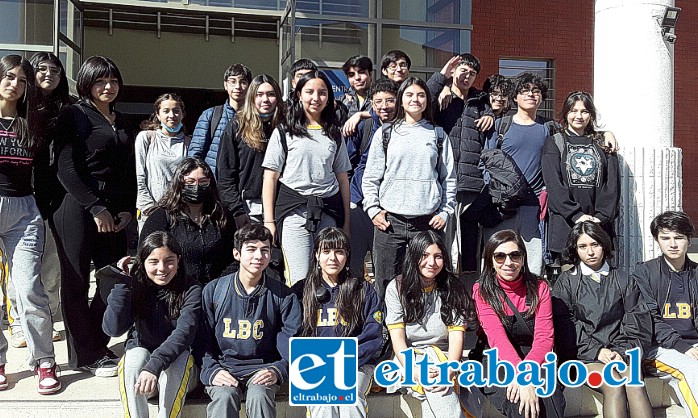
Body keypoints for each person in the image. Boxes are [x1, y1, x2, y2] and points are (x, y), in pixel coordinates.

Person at [52, 55, 136, 377]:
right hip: (75, 206)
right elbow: (65, 169)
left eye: (113, 80)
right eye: (101, 81)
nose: (108, 86)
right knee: (76, 282)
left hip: (115, 209)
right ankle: (85, 355)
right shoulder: (73, 115)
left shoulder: (122, 120)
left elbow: (128, 171)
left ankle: (97, 343)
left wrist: (127, 206)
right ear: (87, 83)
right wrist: (95, 207)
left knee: (112, 278)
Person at [362, 76, 456, 298]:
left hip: (427, 222)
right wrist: (373, 209)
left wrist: (445, 211)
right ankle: (386, 330)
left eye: (421, 95)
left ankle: (420, 327)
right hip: (389, 223)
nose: (416, 100)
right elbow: (371, 177)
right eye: (410, 95)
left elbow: (449, 178)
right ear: (401, 100)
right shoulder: (385, 133)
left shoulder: (438, 134)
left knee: (426, 279)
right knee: (385, 281)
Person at [0, 54, 60, 394]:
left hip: (24, 211)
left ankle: (45, 363)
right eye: (9, 77)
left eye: (22, 81)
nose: (15, 85)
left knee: (28, 288)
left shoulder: (30, 122)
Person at [197, 223, 302, 418]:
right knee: (224, 397)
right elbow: (201, 341)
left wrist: (278, 369)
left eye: (265, 250)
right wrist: (211, 370)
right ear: (237, 254)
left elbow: (293, 341)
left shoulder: (283, 295)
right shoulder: (214, 291)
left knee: (259, 396)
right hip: (224, 367)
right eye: (251, 249)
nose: (258, 256)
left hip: (263, 369)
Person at [553, 222, 652, 418]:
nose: (590, 252)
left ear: (604, 245)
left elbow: (638, 321)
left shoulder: (624, 279)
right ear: (575, 249)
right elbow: (564, 326)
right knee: (613, 383)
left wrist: (620, 351)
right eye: (583, 246)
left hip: (621, 353)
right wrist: (597, 351)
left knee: (634, 382)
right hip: (582, 357)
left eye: (595, 244)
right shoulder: (567, 282)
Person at [262, 70, 352, 286]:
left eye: (322, 93)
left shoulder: (334, 133)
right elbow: (270, 177)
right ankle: (298, 319)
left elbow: (342, 179)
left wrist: (346, 222)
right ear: (298, 95)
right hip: (294, 212)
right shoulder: (284, 131)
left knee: (329, 274)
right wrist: (269, 221)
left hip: (328, 210)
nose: (316, 98)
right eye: (309, 91)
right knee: (299, 276)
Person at [5, 52, 69, 349]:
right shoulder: (21, 113)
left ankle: (49, 323)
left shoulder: (63, 111)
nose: (48, 74)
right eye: (40, 69)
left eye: (54, 70)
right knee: (20, 274)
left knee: (47, 268)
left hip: (49, 202)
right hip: (21, 198)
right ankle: (18, 323)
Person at [103, 231, 201, 417]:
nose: (162, 268)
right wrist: (123, 284)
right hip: (145, 377)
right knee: (133, 359)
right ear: (142, 262)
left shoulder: (191, 289)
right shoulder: (135, 284)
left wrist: (153, 366)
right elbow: (112, 329)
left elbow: (184, 335)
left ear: (179, 260)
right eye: (153, 262)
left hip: (180, 371)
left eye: (169, 260)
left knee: (178, 362)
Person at [291, 227, 382, 418]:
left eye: (339, 252)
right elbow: (291, 333)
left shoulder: (363, 289)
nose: (333, 258)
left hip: (355, 364)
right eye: (326, 251)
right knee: (322, 399)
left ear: (347, 256)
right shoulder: (301, 291)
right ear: (316, 255)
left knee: (350, 397)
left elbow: (373, 335)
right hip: (315, 366)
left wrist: (346, 359)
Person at [473, 229, 565, 418]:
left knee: (551, 402)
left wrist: (527, 372)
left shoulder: (540, 287)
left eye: (515, 255)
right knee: (521, 405)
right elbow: (497, 338)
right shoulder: (482, 291)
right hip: (497, 360)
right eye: (500, 256)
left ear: (523, 258)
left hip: (536, 356)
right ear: (490, 260)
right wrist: (521, 376)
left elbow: (544, 338)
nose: (508, 262)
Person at [384, 230, 476, 418]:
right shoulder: (397, 287)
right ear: (414, 257)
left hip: (444, 356)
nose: (431, 263)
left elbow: (457, 335)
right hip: (408, 358)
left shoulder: (453, 287)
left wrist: (450, 369)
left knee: (437, 389)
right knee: (437, 389)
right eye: (424, 256)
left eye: (438, 256)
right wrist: (414, 371)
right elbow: (398, 340)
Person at [427, 53, 493, 274]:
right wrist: (442, 80)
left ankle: (469, 293)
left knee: (470, 248)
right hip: (445, 185)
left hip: (473, 186)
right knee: (445, 244)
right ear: (454, 71)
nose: (467, 76)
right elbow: (421, 99)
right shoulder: (441, 99)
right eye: (463, 70)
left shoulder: (480, 103)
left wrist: (491, 115)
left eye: (472, 74)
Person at [541, 91, 619, 262]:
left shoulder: (603, 143)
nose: (579, 116)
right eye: (573, 111)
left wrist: (600, 217)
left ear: (591, 115)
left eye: (584, 111)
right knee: (570, 281)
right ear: (566, 113)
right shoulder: (554, 142)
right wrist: (576, 215)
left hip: (599, 227)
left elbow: (612, 185)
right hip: (565, 227)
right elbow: (554, 184)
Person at [634, 211, 698, 418]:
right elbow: (650, 318)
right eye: (665, 238)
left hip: (693, 345)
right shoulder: (644, 272)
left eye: (679, 237)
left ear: (689, 240)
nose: (672, 244)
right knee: (691, 370)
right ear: (657, 240)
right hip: (658, 348)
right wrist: (682, 347)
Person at [138, 158, 236, 285]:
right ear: (179, 184)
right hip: (177, 291)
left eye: (203, 182)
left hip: (216, 290)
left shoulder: (223, 215)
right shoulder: (161, 217)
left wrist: (218, 285)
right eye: (190, 182)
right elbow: (145, 256)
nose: (196, 187)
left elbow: (235, 255)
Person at [345, 78, 398, 277]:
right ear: (372, 104)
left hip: (390, 207)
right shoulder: (363, 127)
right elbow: (347, 164)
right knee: (356, 265)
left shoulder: (405, 129)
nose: (384, 106)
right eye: (379, 102)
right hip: (359, 205)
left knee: (385, 266)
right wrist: (350, 199)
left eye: (390, 100)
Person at [217, 74, 286, 228]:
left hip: (282, 207)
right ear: (251, 97)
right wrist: (237, 211)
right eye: (259, 94)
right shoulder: (237, 127)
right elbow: (225, 176)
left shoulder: (287, 127)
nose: (265, 100)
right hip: (248, 209)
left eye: (271, 94)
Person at [135, 93, 190, 231]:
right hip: (150, 211)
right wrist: (149, 207)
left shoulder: (189, 143)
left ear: (182, 114)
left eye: (176, 111)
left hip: (179, 213)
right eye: (166, 111)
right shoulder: (146, 138)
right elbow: (140, 176)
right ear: (158, 115)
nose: (171, 115)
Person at [188, 64, 252, 175]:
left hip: (243, 184)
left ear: (250, 86)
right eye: (233, 81)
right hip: (214, 183)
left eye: (243, 82)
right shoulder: (211, 115)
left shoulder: (255, 118)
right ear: (225, 85)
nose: (238, 86)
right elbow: (195, 155)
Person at [340, 55, 373, 137]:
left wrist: (360, 114)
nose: (357, 78)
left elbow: (389, 112)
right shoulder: (343, 101)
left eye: (361, 72)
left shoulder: (380, 97)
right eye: (351, 75)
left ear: (370, 74)